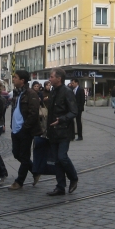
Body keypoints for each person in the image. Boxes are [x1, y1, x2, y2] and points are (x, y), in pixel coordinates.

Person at [46, 68, 79, 196]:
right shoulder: (53, 91)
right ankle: (60, 186)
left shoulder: (67, 92)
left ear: (59, 79)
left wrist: (61, 119)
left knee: (62, 157)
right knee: (56, 160)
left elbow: (74, 111)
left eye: (51, 77)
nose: (49, 79)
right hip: (53, 131)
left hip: (64, 130)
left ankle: (73, 177)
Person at [8, 70, 42, 190]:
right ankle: (35, 171)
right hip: (15, 129)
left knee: (24, 155)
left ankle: (19, 181)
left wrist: (25, 128)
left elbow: (33, 114)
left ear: (22, 80)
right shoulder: (16, 92)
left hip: (26, 130)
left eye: (15, 77)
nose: (13, 79)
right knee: (17, 154)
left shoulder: (31, 93)